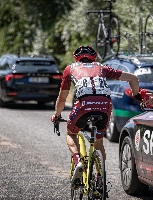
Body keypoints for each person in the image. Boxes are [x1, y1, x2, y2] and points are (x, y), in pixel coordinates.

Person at [50, 46, 140, 187]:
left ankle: (78, 160)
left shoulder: (70, 69)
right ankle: (99, 178)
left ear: (76, 58)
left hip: (83, 106)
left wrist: (57, 115)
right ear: (94, 57)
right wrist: (137, 95)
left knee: (71, 134)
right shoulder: (102, 67)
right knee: (98, 142)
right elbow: (132, 78)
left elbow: (62, 99)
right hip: (104, 107)